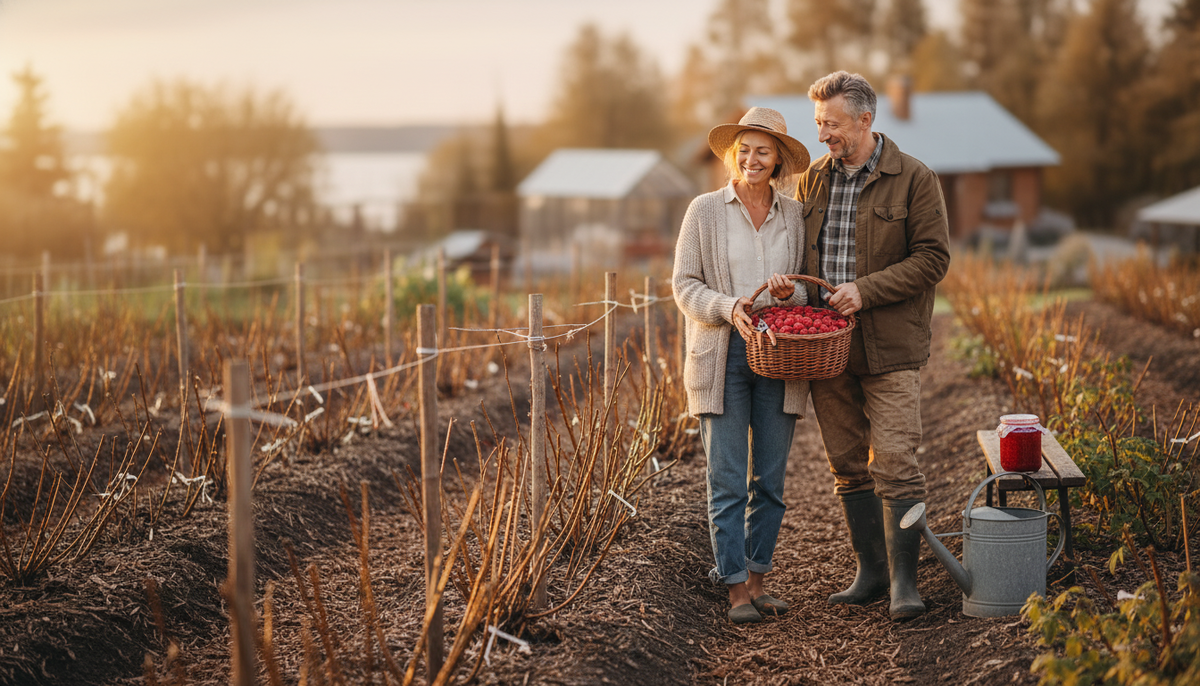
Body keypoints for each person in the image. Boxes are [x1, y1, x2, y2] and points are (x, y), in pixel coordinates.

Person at [794, 71, 951, 621]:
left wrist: (866, 290)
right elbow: (799, 255)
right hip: (828, 347)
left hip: (890, 346)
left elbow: (933, 258)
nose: (822, 135)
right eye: (818, 124)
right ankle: (872, 572)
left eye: (831, 124)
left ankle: (905, 582)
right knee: (845, 462)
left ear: (866, 120)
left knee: (897, 461)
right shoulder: (813, 180)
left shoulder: (915, 179)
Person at [672, 107, 811, 624]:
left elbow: (803, 288)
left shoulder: (794, 215)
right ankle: (733, 589)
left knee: (770, 479)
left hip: (779, 353)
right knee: (727, 477)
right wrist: (729, 307)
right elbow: (684, 285)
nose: (753, 159)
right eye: (745, 150)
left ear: (777, 161)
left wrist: (787, 290)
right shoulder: (704, 210)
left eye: (764, 151)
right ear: (734, 155)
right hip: (722, 355)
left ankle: (757, 579)